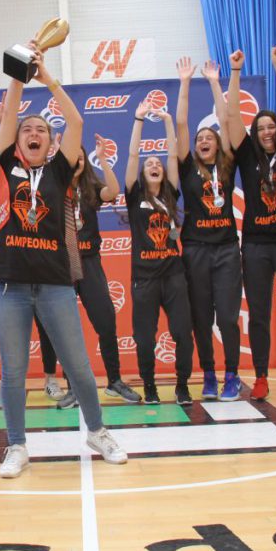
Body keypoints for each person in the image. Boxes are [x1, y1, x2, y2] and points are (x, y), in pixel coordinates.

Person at [0, 45, 126, 478]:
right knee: (13, 371)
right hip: (8, 284)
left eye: (41, 129)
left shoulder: (61, 170)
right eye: (27, 128)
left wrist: (47, 78)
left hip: (56, 283)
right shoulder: (6, 166)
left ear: (50, 142)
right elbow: (9, 115)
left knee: (79, 365)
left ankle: (97, 431)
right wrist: (18, 76)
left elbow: (77, 120)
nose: (32, 132)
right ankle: (17, 445)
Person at [226, 47, 276, 402]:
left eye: (271, 126)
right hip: (256, 245)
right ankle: (260, 376)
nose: (267, 131)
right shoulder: (247, 156)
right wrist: (235, 72)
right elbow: (230, 118)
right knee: (259, 312)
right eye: (260, 127)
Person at [36, 137, 142, 407]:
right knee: (66, 329)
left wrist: (102, 159)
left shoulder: (90, 187)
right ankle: (73, 387)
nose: (76, 163)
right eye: (72, 159)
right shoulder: (52, 185)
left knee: (106, 320)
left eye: (80, 159)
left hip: (90, 262)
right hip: (61, 265)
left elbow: (114, 191)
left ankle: (115, 381)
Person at [174, 57, 244, 402]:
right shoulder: (187, 167)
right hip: (195, 250)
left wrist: (216, 82)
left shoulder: (228, 165)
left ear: (217, 145)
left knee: (228, 317)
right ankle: (210, 375)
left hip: (228, 250)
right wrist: (186, 82)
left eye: (209, 137)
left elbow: (227, 118)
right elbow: (182, 121)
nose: (203, 140)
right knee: (201, 318)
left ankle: (232, 373)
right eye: (199, 138)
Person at [125, 97, 194, 405]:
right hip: (144, 278)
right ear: (142, 174)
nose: (154, 165)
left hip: (173, 275)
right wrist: (139, 120)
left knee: (182, 332)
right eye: (148, 165)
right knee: (144, 338)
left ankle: (182, 385)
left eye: (157, 165)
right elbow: (132, 154)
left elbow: (173, 155)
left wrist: (168, 121)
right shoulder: (134, 194)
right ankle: (150, 385)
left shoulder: (170, 192)